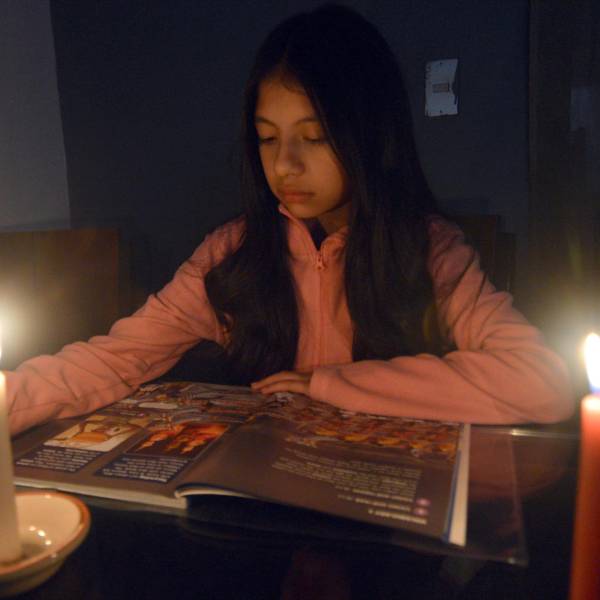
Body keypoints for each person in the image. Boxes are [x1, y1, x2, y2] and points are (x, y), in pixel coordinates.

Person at [6, 4, 573, 436]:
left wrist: (331, 385)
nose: (284, 165)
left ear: (371, 135)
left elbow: (539, 383)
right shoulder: (232, 253)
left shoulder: (431, 251)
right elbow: (115, 360)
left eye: (315, 137)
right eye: (267, 138)